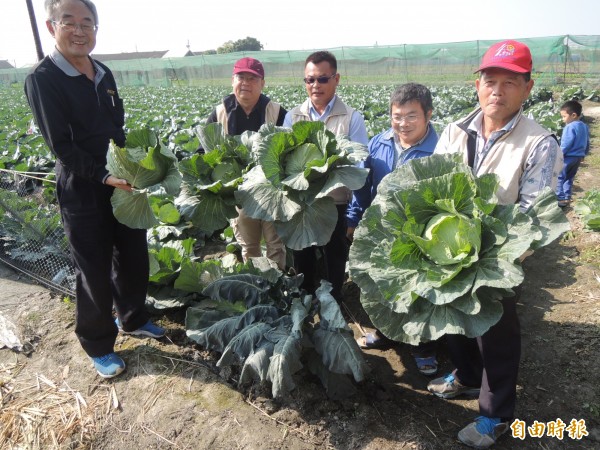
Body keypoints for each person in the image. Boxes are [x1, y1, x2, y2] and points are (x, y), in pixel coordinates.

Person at [428, 40, 563, 449]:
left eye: (509, 82)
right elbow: (423, 186)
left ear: (527, 87)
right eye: (490, 81)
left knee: (496, 334)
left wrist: (490, 255)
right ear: (477, 85)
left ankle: (497, 412)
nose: (497, 91)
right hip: (447, 258)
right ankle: (467, 376)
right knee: (452, 321)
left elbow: (532, 217)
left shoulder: (539, 143)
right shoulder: (454, 130)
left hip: (499, 261)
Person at [24, 0, 165, 379]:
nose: (80, 29)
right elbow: (61, 146)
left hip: (120, 182)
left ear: (96, 29)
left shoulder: (103, 72)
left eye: (88, 22)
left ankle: (133, 318)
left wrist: (132, 167)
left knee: (134, 255)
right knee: (93, 269)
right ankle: (99, 344)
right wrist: (103, 176)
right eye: (69, 21)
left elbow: (116, 128)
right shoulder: (42, 78)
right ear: (52, 26)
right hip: (82, 189)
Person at [346, 82, 440, 376]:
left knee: (419, 293)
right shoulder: (379, 143)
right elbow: (363, 187)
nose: (403, 123)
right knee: (384, 288)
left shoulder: (441, 148)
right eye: (397, 116)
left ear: (428, 115)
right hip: (381, 231)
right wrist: (352, 218)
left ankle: (422, 346)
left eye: (411, 116)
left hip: (421, 236)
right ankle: (387, 331)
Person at [283, 50, 368, 303]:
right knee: (302, 254)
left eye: (322, 79)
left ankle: (335, 302)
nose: (315, 85)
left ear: (336, 79)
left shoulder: (351, 118)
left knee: (335, 255)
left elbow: (359, 163)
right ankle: (306, 300)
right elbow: (282, 160)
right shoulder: (293, 116)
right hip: (302, 202)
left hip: (336, 202)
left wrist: (354, 211)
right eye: (310, 80)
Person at [206, 57, 287, 270]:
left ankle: (278, 285)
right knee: (249, 246)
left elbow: (290, 149)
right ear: (232, 80)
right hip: (239, 194)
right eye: (241, 77)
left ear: (262, 83)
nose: (246, 83)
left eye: (253, 78)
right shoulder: (219, 113)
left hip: (272, 192)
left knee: (276, 244)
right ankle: (257, 283)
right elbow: (202, 154)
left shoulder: (277, 112)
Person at [556, 100, 590, 207]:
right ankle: (567, 197)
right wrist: (584, 154)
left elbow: (566, 143)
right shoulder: (584, 126)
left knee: (559, 177)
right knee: (570, 177)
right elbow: (587, 142)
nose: (563, 119)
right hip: (578, 158)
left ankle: (560, 199)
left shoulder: (569, 127)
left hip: (567, 157)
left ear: (573, 115)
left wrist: (559, 154)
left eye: (564, 116)